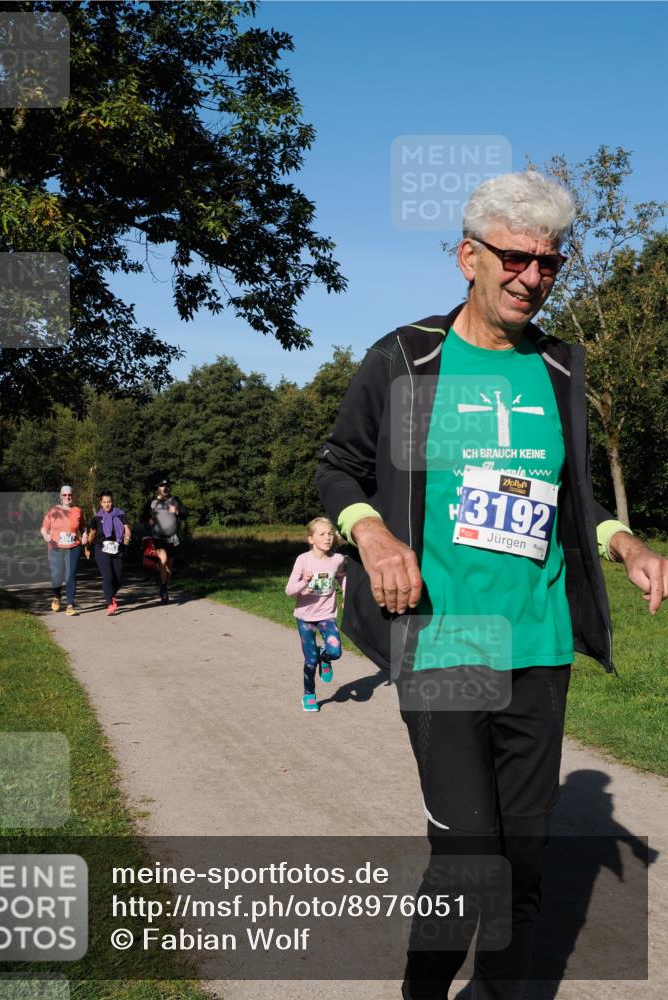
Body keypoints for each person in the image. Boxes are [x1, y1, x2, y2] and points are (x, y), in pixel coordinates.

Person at [315, 171, 668, 1000]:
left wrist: (628, 546)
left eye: (549, 264)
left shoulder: (559, 370)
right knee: (472, 852)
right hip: (444, 636)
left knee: (526, 857)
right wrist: (371, 531)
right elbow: (338, 467)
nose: (531, 278)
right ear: (468, 255)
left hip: (538, 643)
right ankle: (423, 992)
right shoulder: (407, 358)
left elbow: (569, 499)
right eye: (514, 258)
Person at [285, 517, 346, 712]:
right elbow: (289, 590)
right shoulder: (303, 560)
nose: (327, 538)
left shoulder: (337, 559)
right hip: (305, 617)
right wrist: (305, 584)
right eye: (322, 534)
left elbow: (342, 577)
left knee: (335, 651)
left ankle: (325, 658)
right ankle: (309, 694)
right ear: (311, 539)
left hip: (327, 614)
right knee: (310, 661)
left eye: (330, 533)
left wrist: (347, 595)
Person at [40, 485, 87, 616]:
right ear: (61, 496)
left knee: (70, 576)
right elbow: (44, 527)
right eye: (65, 495)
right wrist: (46, 536)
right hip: (56, 548)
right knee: (57, 577)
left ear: (73, 496)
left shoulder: (77, 511)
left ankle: (70, 605)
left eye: (69, 495)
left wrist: (84, 535)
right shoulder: (53, 510)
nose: (67, 497)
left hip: (73, 548)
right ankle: (56, 596)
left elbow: (83, 527)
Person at [87, 491, 131, 616]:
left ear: (112, 502)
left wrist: (127, 540)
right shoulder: (96, 518)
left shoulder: (121, 514)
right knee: (108, 576)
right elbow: (92, 534)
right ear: (101, 503)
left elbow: (127, 529)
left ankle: (110, 595)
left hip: (117, 548)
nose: (107, 504)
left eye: (109, 502)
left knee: (118, 579)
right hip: (101, 549)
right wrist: (87, 547)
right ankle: (110, 604)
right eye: (104, 502)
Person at [148, 479, 187, 603]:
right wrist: (150, 520)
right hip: (158, 537)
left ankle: (164, 586)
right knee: (163, 560)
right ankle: (164, 588)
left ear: (169, 488)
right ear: (158, 488)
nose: (165, 488)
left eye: (167, 486)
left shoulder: (175, 500)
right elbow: (145, 518)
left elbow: (185, 514)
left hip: (173, 537)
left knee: (169, 565)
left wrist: (176, 511)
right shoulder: (153, 502)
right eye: (162, 486)